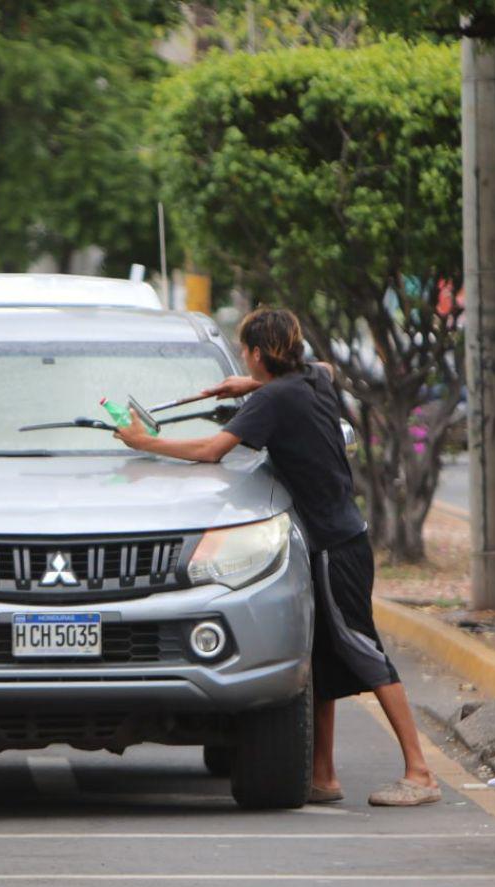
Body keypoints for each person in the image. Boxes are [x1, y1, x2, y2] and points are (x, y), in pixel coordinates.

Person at [114, 307, 441, 807]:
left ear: (257, 353)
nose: (243, 358)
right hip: (342, 538)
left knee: (364, 650)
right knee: (323, 660)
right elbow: (326, 368)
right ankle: (323, 776)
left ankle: (420, 773)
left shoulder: (274, 399)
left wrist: (146, 442)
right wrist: (245, 384)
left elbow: (213, 450)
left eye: (245, 351)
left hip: (334, 547)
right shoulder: (311, 380)